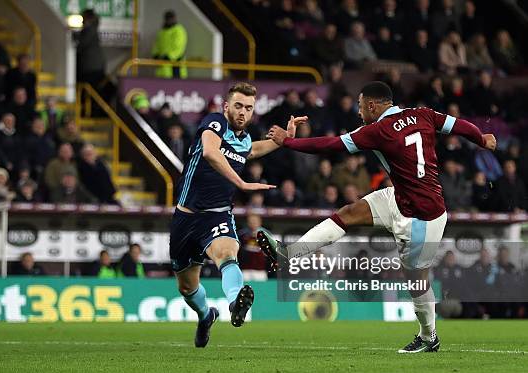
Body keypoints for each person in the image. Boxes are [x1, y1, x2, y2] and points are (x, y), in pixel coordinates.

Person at [260, 81, 496, 353]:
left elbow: (331, 144)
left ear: (372, 105)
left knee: (416, 280)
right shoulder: (424, 114)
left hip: (423, 217)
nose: (359, 113)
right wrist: (482, 138)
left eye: (361, 107)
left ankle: (429, 337)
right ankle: (288, 253)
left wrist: (287, 141)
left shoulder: (378, 130)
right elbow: (460, 126)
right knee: (349, 213)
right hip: (399, 197)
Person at [170, 82, 292, 348]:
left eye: (249, 108)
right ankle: (206, 315)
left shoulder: (244, 139)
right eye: (238, 106)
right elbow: (212, 153)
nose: (243, 112)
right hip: (186, 217)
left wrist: (284, 140)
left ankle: (236, 301)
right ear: (226, 106)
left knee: (227, 254)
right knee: (187, 288)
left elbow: (254, 149)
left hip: (218, 215)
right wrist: (242, 183)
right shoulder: (214, 123)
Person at [74, 9, 106, 87]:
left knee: (88, 90)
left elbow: (82, 44)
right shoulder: (92, 29)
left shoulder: (89, 30)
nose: (82, 21)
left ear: (87, 18)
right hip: (96, 67)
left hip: (91, 68)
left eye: (83, 18)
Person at [152, 10, 187, 79]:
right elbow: (156, 45)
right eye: (167, 18)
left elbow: (179, 47)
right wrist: (155, 54)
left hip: (175, 66)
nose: (169, 20)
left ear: (174, 18)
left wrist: (169, 56)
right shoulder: (161, 32)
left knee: (176, 87)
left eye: (171, 18)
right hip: (162, 67)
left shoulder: (178, 30)